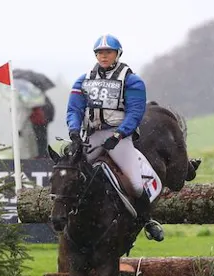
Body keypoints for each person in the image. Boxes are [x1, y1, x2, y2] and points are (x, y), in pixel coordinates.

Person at [66, 34, 164, 242]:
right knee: (70, 173)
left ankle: (147, 220)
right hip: (92, 135)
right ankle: (65, 217)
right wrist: (74, 130)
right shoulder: (83, 80)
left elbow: (135, 113)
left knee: (136, 185)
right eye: (100, 53)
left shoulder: (132, 81)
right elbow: (74, 109)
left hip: (118, 136)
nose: (103, 56)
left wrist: (119, 134)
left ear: (117, 54)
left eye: (108, 52)